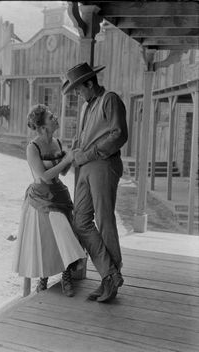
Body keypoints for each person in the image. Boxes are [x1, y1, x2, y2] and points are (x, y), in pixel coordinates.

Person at [62, 62, 128, 302]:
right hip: (85, 168)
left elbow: (119, 134)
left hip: (103, 164)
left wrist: (87, 155)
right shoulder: (86, 108)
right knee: (80, 221)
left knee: (105, 220)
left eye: (80, 89)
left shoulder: (110, 100)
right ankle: (109, 274)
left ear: (90, 83)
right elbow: (81, 138)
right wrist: (70, 157)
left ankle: (111, 278)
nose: (79, 94)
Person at [12, 104, 86, 297]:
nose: (56, 118)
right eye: (51, 117)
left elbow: (61, 172)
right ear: (43, 126)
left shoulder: (57, 143)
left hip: (58, 193)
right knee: (46, 237)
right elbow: (44, 176)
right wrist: (66, 159)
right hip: (40, 197)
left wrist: (70, 157)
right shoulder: (33, 147)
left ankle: (66, 275)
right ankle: (43, 278)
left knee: (65, 235)